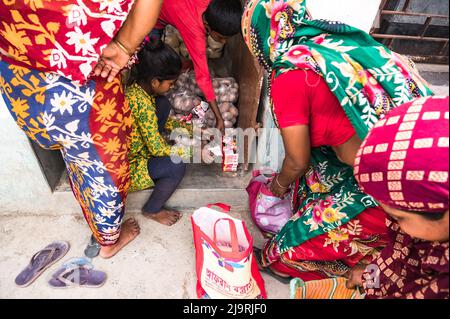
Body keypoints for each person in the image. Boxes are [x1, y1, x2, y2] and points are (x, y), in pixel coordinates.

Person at [241, 0, 434, 281]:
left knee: (282, 254)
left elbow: (296, 161)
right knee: (310, 185)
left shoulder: (290, 73)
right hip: (416, 146)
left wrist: (274, 189)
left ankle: (353, 266)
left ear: (260, 39)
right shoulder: (329, 43)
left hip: (393, 181)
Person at [0, 0, 163, 258]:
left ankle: (90, 211)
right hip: (83, 92)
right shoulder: (136, 98)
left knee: (72, 157)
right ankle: (109, 242)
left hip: (22, 85)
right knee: (105, 172)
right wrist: (123, 46)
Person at [346, 96, 449, 299]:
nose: (395, 224)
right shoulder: (427, 233)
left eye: (400, 217)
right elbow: (395, 256)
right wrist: (370, 278)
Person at [150, 0, 243, 133]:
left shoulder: (211, 6)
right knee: (151, 59)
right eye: (221, 37)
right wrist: (218, 118)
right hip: (152, 14)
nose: (223, 42)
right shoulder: (194, 32)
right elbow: (203, 78)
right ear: (207, 25)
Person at [126, 41, 192, 226]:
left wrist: (191, 130)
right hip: (130, 167)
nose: (172, 87)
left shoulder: (139, 91)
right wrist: (192, 153)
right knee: (176, 166)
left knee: (163, 103)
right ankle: (152, 210)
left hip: (141, 147)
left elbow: (157, 121)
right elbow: (155, 149)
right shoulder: (143, 104)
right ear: (155, 81)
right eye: (171, 83)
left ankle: (164, 138)